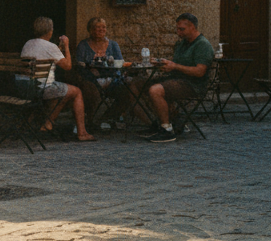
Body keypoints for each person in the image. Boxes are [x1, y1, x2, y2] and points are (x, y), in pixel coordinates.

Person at [142, 13, 215, 143]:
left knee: (155, 90)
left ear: (192, 27)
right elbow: (177, 64)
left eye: (182, 29)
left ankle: (167, 130)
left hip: (193, 84)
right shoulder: (182, 43)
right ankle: (167, 121)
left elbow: (199, 72)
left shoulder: (202, 45)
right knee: (138, 84)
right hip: (175, 79)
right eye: (177, 29)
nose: (178, 32)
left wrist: (175, 66)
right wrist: (163, 63)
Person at [20, 16, 94, 142]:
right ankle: (82, 133)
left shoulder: (28, 43)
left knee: (62, 93)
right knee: (76, 92)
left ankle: (48, 124)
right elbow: (68, 66)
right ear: (50, 31)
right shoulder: (50, 47)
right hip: (42, 88)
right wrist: (66, 46)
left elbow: (47, 54)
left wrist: (58, 49)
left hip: (25, 87)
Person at [73, 17, 124, 128]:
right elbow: (79, 64)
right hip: (91, 79)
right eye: (98, 27)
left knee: (128, 91)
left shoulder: (113, 45)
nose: (102, 30)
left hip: (112, 80)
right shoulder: (83, 45)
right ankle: (90, 121)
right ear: (90, 30)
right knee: (88, 89)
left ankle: (107, 118)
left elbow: (120, 63)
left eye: (104, 27)